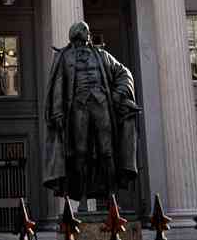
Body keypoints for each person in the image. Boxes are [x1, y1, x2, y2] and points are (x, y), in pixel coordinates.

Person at [43, 21, 140, 201]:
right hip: (79, 106)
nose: (87, 36)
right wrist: (57, 111)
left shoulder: (102, 55)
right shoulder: (65, 57)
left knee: (107, 151)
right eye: (85, 32)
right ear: (77, 35)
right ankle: (82, 197)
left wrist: (118, 94)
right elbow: (58, 85)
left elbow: (124, 73)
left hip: (101, 104)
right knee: (80, 152)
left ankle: (111, 194)